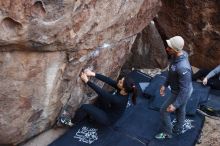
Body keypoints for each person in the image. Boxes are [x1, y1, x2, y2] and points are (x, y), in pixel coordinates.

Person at [59, 69, 137, 127]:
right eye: (121, 79)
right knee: (101, 98)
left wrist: (86, 81)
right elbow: (108, 80)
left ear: (124, 88)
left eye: (121, 82)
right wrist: (92, 74)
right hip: (109, 110)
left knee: (84, 107)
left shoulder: (119, 100)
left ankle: (72, 123)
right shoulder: (123, 90)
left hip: (108, 119)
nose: (119, 80)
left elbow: (102, 92)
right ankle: (92, 115)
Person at [155, 36, 193, 139]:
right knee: (181, 109)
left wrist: (175, 104)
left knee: (164, 110)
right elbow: (172, 72)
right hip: (180, 89)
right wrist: (165, 85)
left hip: (181, 92)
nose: (167, 49)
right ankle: (178, 128)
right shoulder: (178, 55)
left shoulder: (182, 67)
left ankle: (168, 133)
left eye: (169, 47)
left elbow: (184, 90)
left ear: (175, 50)